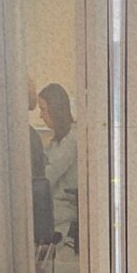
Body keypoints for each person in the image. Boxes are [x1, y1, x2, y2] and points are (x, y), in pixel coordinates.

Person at [38, 83, 78, 243]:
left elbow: (47, 176)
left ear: (55, 109)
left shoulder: (71, 140)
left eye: (43, 109)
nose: (41, 115)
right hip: (56, 203)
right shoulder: (57, 140)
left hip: (65, 207)